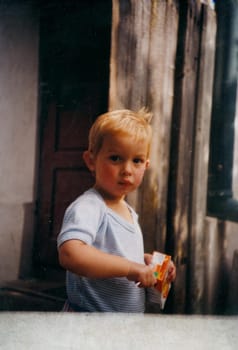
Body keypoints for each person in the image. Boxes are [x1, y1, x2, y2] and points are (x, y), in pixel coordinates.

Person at [57, 108, 176, 312]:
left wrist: (146, 264)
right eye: (115, 158)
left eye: (136, 160)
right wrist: (131, 268)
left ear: (146, 166)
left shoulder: (128, 211)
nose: (127, 170)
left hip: (118, 328)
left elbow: (113, 253)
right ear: (91, 161)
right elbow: (70, 253)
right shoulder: (90, 206)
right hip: (89, 327)